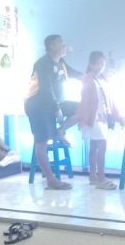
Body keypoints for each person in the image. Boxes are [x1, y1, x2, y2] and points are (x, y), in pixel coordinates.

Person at [24, 34, 83, 190]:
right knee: (41, 142)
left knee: (83, 109)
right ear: (51, 46)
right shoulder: (43, 64)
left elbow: (75, 73)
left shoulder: (60, 62)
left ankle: (60, 131)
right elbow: (46, 89)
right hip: (38, 106)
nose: (64, 46)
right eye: (60, 43)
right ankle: (51, 179)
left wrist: (88, 77)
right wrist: (57, 108)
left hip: (56, 102)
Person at [57, 51, 122, 190]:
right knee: (101, 145)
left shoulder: (102, 79)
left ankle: (93, 177)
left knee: (94, 146)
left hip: (100, 118)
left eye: (103, 63)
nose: (101, 66)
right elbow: (85, 102)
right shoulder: (88, 79)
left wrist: (117, 115)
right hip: (93, 118)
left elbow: (110, 99)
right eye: (99, 63)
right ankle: (101, 178)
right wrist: (83, 117)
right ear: (92, 64)